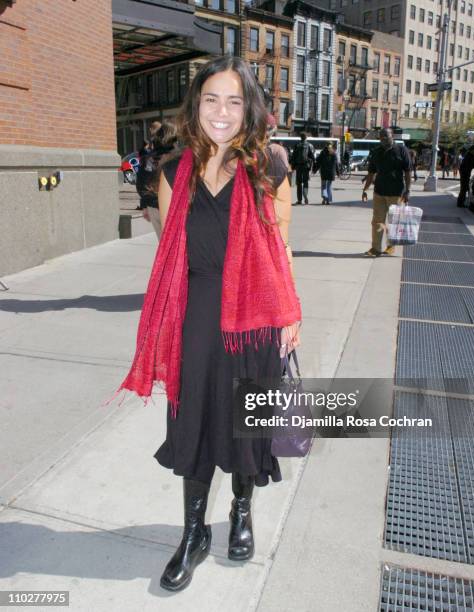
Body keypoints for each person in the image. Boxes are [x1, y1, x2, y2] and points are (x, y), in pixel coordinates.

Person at [111, 56, 302, 592]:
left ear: (249, 108)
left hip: (257, 315)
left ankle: (241, 511)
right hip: (198, 309)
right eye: (212, 99)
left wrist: (292, 312)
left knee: (247, 420)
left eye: (234, 100)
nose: (222, 111)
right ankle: (194, 534)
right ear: (196, 105)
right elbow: (172, 250)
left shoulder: (272, 166)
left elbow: (281, 247)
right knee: (194, 418)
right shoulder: (174, 171)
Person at [362, 128, 411, 257]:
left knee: (393, 221)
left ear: (392, 136)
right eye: (381, 137)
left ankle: (390, 246)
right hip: (379, 192)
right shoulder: (376, 152)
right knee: (377, 221)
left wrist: (408, 191)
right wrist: (365, 189)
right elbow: (371, 173)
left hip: (396, 193)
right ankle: (376, 249)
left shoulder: (401, 150)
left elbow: (407, 171)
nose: (383, 138)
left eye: (386, 136)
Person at [137, 121, 178, 239]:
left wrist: (144, 205)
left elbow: (141, 183)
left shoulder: (148, 158)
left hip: (153, 207)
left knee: (164, 246)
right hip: (172, 208)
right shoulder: (178, 157)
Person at [289, 132, 314, 205]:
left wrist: (293, 167)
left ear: (300, 138)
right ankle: (305, 195)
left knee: (299, 183)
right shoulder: (309, 145)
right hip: (306, 166)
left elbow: (293, 157)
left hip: (299, 166)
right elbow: (312, 157)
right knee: (305, 182)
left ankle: (299, 200)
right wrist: (312, 166)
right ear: (306, 138)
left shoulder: (297, 145)